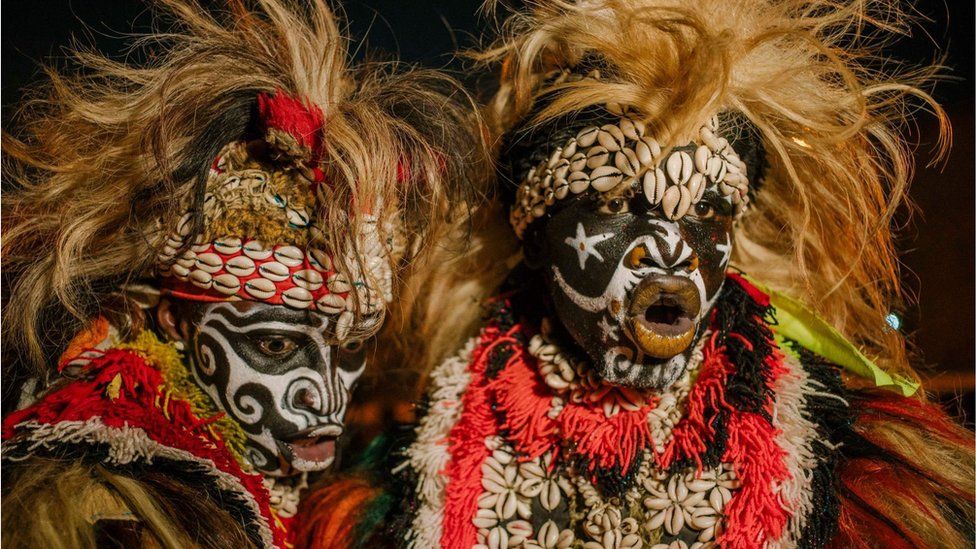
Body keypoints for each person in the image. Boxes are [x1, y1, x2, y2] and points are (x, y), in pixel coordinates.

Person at [300, 0, 974, 547]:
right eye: (614, 205)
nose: (669, 251)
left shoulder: (868, 474)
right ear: (536, 240)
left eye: (704, 214)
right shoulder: (394, 491)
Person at [0, 1, 488, 546]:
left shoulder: (263, 491)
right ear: (175, 322)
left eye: (349, 350)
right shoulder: (104, 510)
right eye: (276, 347)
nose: (324, 399)